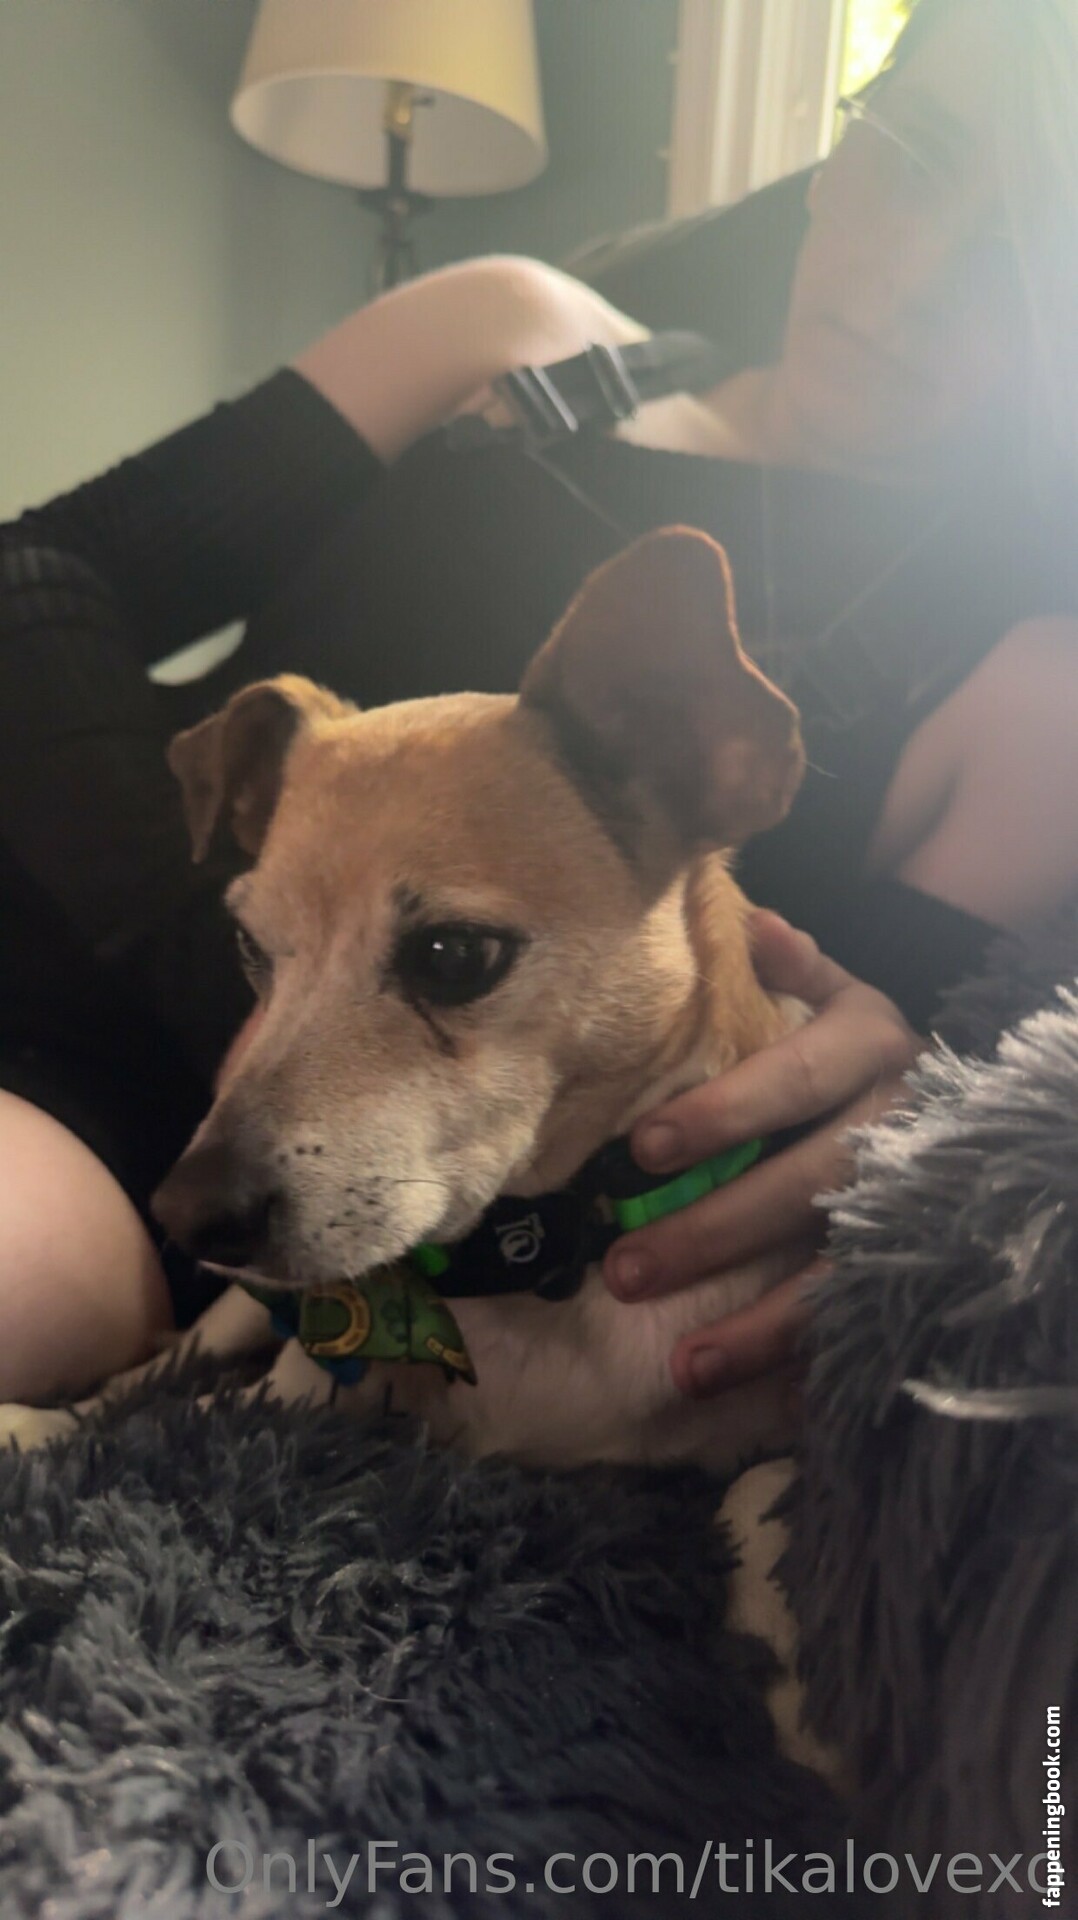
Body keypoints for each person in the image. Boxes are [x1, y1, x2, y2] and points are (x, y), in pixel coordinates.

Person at [1, 0, 1076, 1407]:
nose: (913, 277)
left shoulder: (1039, 691)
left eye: (1031, 244)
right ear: (837, 147)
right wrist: (223, 962)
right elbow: (31, 574)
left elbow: (832, 1083)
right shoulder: (514, 333)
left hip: (209, 1163)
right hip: (61, 947)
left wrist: (897, 1112)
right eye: (918, 151)